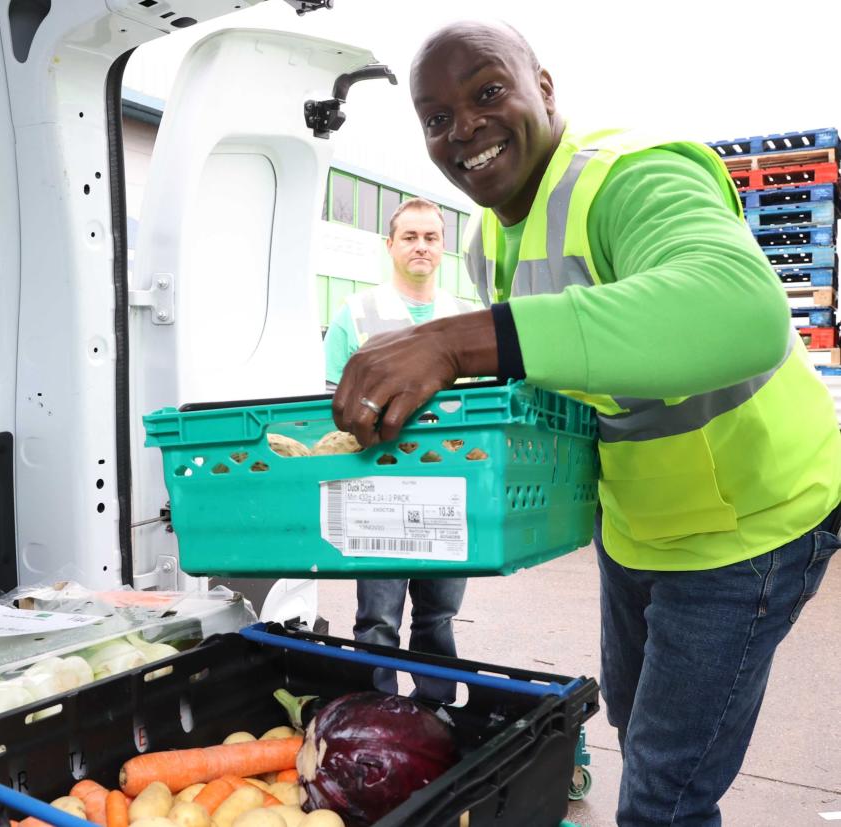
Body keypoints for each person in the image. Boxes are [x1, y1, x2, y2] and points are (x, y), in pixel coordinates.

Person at [331, 21, 841, 827]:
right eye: (435, 117)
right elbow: (568, 376)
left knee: (664, 792)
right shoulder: (487, 241)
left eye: (487, 92)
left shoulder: (631, 177)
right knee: (634, 727)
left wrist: (461, 339)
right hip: (640, 522)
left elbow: (741, 311)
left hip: (753, 526)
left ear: (545, 88)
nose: (462, 128)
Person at [323, 197, 474, 703]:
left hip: (447, 492)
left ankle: (436, 713)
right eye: (410, 237)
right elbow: (330, 407)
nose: (421, 247)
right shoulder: (358, 313)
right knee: (378, 620)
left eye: (431, 237)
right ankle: (375, 715)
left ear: (443, 247)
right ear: (390, 245)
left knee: (438, 616)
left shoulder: (465, 318)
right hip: (377, 490)